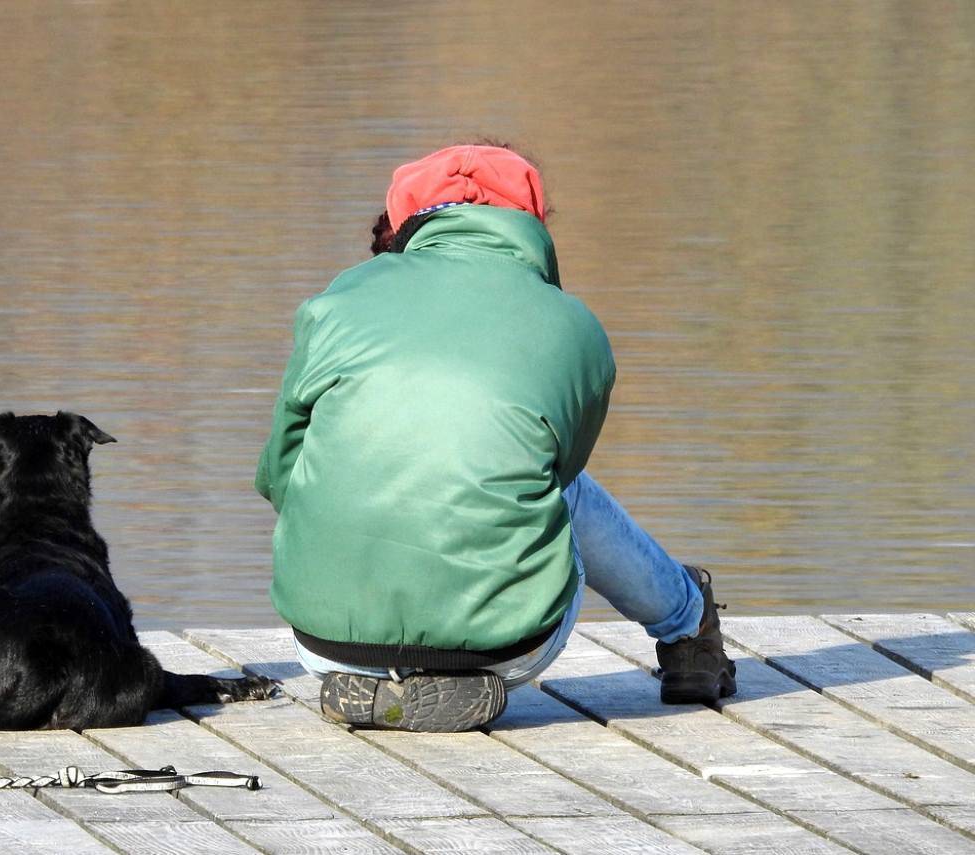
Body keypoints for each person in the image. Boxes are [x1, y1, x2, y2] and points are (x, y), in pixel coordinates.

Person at [256, 144, 735, 732]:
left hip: (323, 643)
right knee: (554, 486)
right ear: (529, 223)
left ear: (403, 218)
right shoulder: (572, 325)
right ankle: (689, 626)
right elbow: (555, 477)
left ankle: (383, 678)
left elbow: (279, 475)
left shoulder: (336, 302)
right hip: (506, 649)